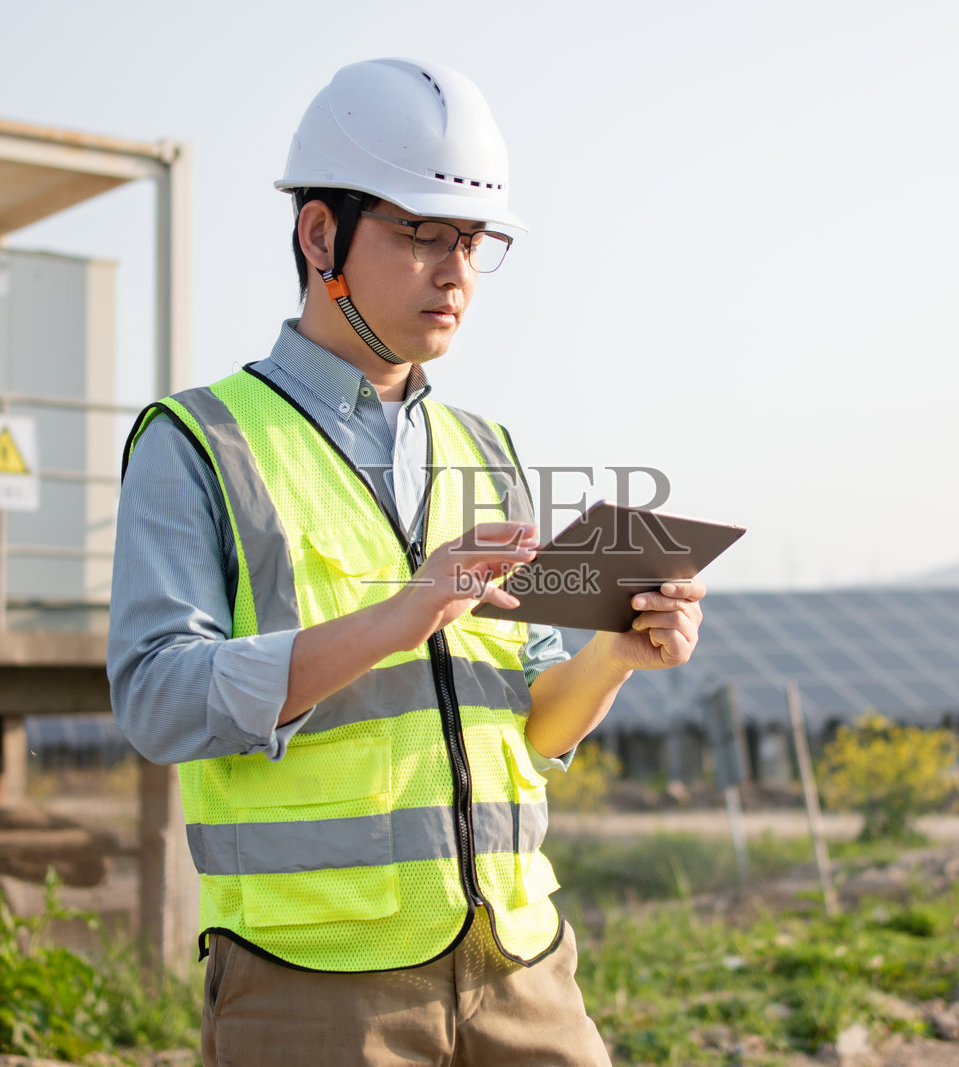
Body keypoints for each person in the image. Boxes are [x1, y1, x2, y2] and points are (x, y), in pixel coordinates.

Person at [108, 57, 706, 1066]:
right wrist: (398, 616)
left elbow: (533, 725)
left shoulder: (488, 449)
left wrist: (615, 656)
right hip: (317, 986)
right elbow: (157, 700)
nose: (455, 271)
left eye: (471, 241)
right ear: (319, 236)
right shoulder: (198, 442)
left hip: (520, 966)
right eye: (422, 233)